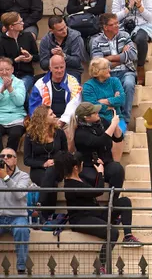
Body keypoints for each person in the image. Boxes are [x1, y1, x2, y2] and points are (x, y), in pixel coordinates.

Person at [54, 149, 139, 258]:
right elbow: (98, 191)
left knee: (124, 201)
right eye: (81, 164)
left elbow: (94, 189)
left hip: (95, 213)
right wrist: (100, 173)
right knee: (113, 233)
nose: (82, 165)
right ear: (75, 167)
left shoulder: (79, 179)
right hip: (82, 220)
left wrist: (99, 169)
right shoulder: (71, 185)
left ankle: (128, 236)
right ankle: (101, 265)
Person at [88, 14, 136, 134]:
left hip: (126, 71)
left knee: (129, 84)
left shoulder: (124, 36)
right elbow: (98, 64)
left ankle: (124, 120)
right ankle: (109, 120)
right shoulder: (96, 42)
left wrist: (109, 58)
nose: (117, 26)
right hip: (107, 75)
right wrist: (122, 57)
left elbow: (133, 55)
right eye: (113, 24)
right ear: (105, 27)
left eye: (117, 23)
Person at [110, 0, 152, 86]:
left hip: (142, 26)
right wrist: (127, 9)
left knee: (140, 39)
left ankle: (140, 67)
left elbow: (150, 17)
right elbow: (114, 17)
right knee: (120, 41)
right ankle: (125, 72)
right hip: (122, 26)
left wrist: (140, 7)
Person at [23, 106, 67, 220]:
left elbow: (65, 153)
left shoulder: (59, 133)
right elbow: (26, 160)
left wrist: (55, 161)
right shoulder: (31, 136)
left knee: (52, 172)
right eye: (51, 114)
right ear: (43, 118)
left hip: (57, 167)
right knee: (51, 182)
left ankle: (39, 206)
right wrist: (43, 164)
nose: (55, 116)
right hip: (38, 169)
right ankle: (48, 216)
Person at [0, 146, 33, 274]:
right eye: (2, 156)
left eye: (9, 156)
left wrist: (6, 178)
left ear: (15, 160)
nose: (5, 159)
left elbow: (19, 194)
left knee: (21, 229)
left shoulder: (24, 176)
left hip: (17, 217)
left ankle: (21, 269)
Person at [28, 52, 81, 128]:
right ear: (50, 68)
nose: (59, 70)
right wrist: (48, 120)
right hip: (46, 120)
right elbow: (35, 108)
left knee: (69, 131)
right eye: (56, 68)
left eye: (61, 67)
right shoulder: (40, 84)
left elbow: (75, 104)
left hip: (67, 121)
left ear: (65, 66)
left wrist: (63, 120)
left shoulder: (73, 82)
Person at [82, 57, 126, 144]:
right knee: (105, 135)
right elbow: (92, 106)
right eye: (107, 68)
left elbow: (121, 99)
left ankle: (116, 158)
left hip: (117, 117)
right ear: (98, 71)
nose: (110, 70)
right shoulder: (88, 86)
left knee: (119, 135)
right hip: (99, 119)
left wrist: (103, 101)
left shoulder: (115, 81)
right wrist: (113, 102)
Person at [38, 16, 87, 80]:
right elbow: (43, 65)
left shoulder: (75, 37)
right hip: (53, 71)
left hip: (72, 71)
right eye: (60, 30)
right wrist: (54, 57)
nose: (64, 31)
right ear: (52, 31)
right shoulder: (45, 40)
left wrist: (63, 56)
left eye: (65, 27)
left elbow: (77, 62)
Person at [0, 13, 37, 99]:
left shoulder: (28, 36)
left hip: (26, 74)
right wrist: (15, 60)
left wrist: (30, 57)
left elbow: (37, 57)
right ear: (11, 27)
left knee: (21, 88)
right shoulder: (2, 41)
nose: (23, 23)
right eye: (20, 22)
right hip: (7, 75)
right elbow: (1, 61)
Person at [0, 59, 25, 152]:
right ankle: (1, 161)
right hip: (1, 117)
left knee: (15, 134)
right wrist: (2, 89)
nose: (4, 72)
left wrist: (10, 88)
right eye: (1, 70)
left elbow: (20, 102)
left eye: (7, 69)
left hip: (16, 118)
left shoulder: (19, 82)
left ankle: (10, 159)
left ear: (12, 70)